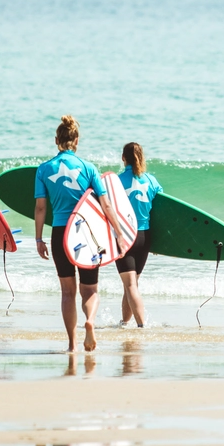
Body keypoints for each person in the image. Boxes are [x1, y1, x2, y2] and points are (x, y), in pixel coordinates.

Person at [34, 115, 125, 352]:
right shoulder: (88, 168)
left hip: (60, 234)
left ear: (57, 140)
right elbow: (105, 206)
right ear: (77, 140)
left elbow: (41, 207)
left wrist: (38, 238)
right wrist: (119, 233)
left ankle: (72, 344)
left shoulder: (44, 169)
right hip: (86, 233)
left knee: (67, 292)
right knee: (90, 289)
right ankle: (90, 321)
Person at [116, 142, 162, 327]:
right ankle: (124, 323)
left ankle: (142, 326)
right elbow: (162, 213)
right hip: (144, 238)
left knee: (130, 285)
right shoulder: (151, 181)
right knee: (131, 284)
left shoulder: (116, 182)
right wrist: (161, 242)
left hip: (124, 237)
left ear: (123, 158)